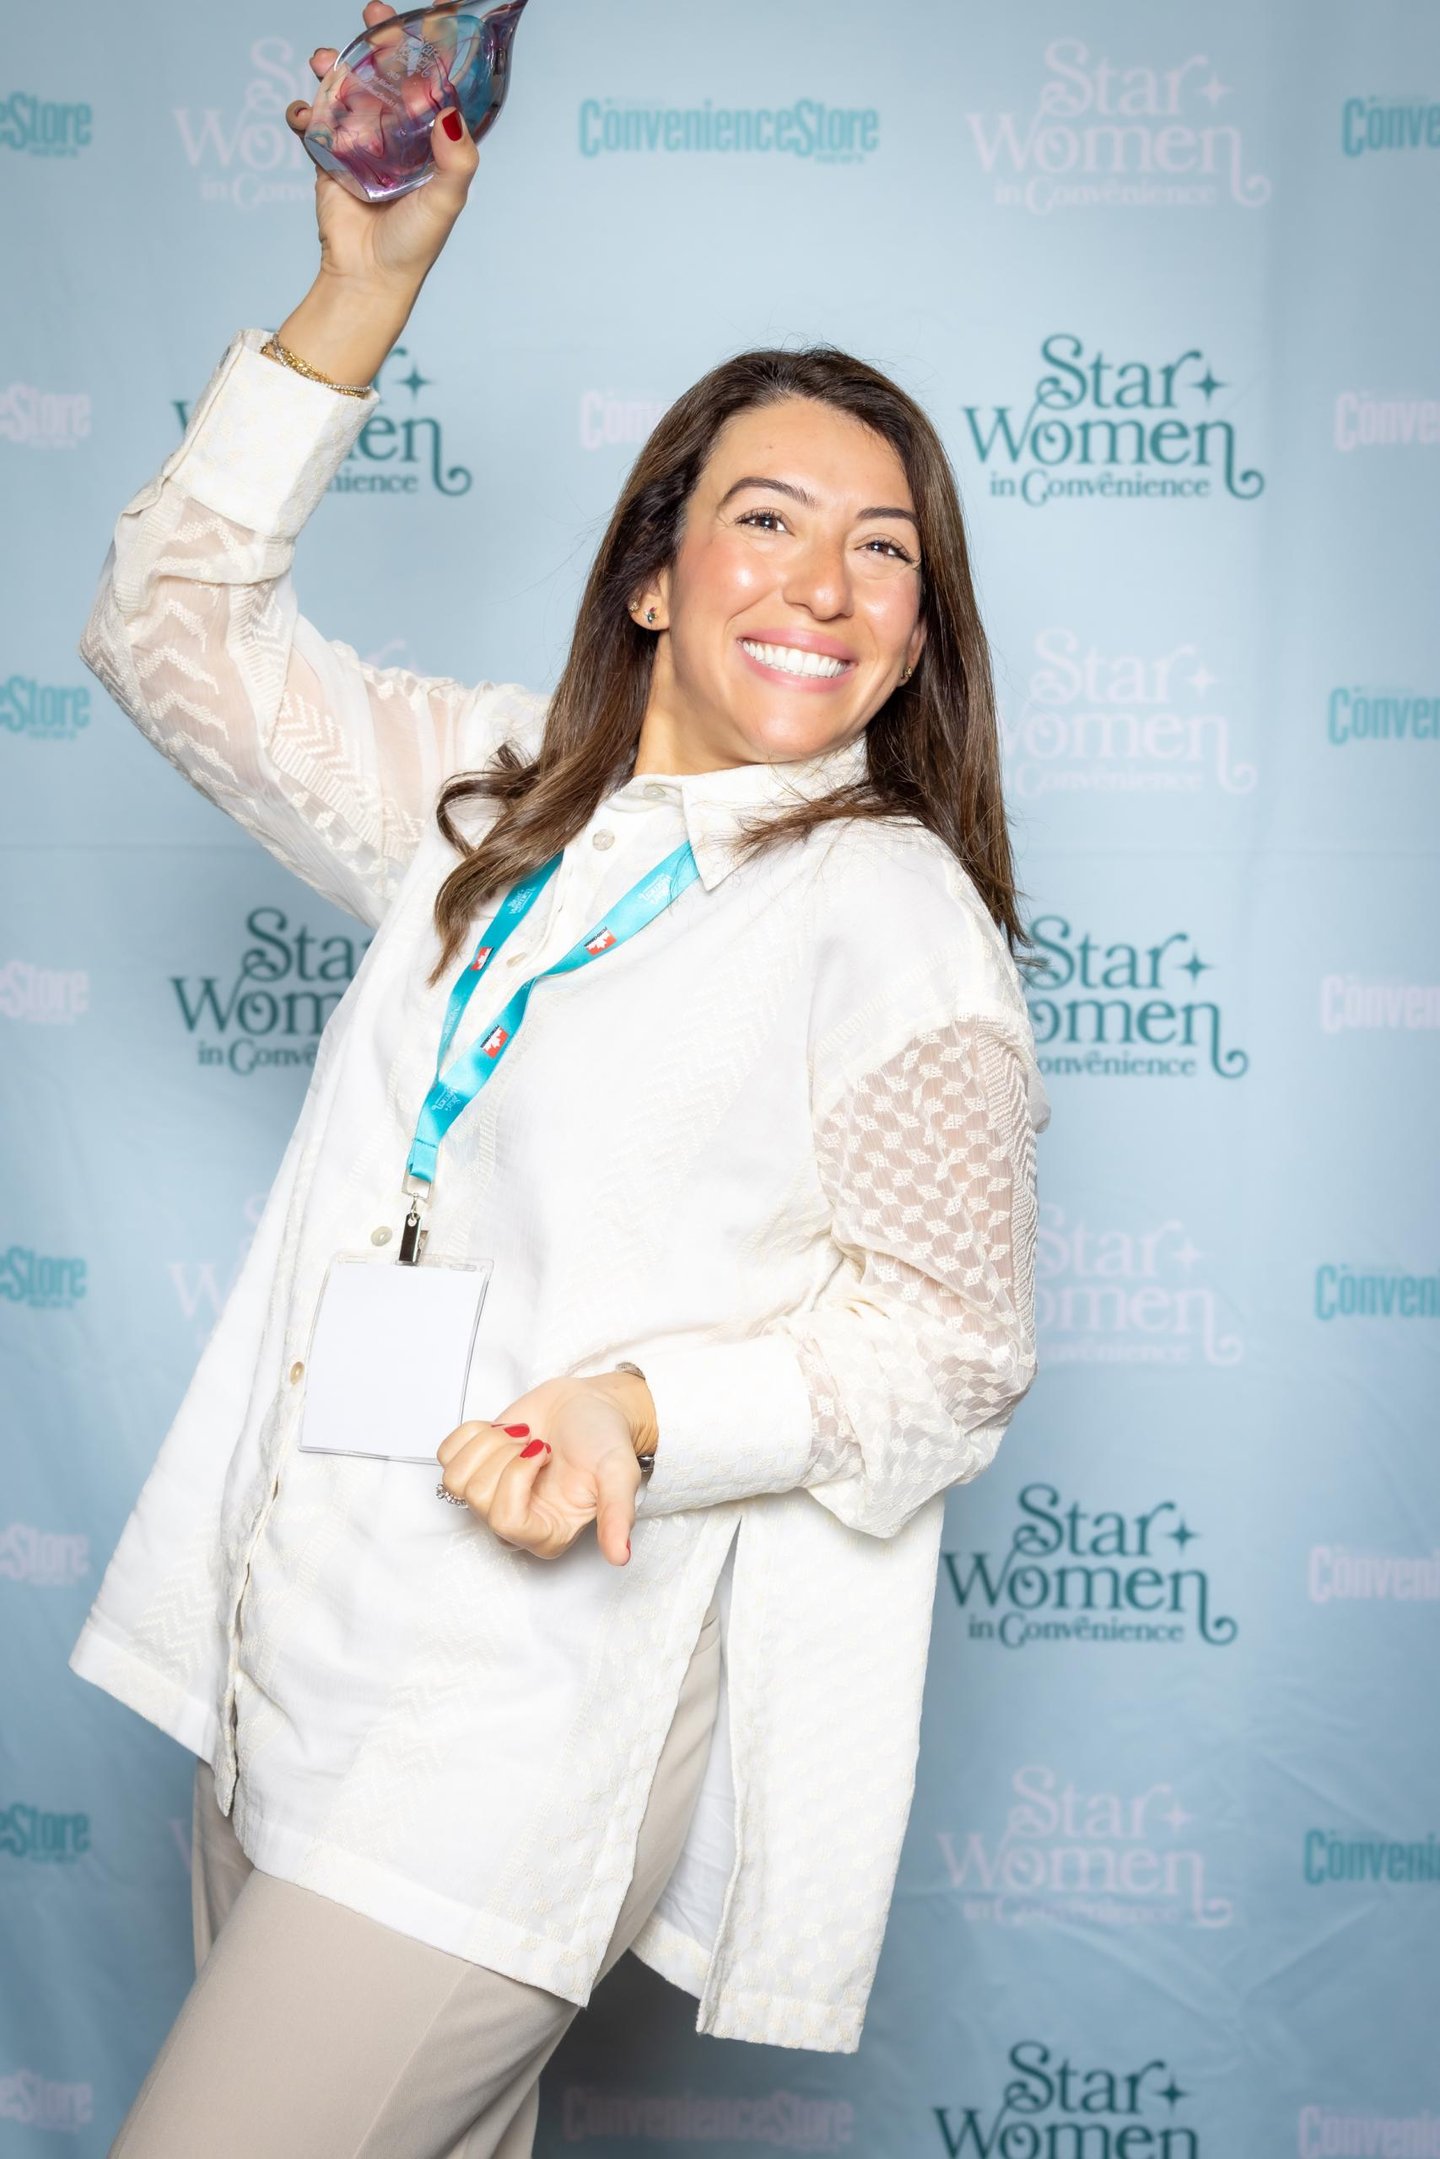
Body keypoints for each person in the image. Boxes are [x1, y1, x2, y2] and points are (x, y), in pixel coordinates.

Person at [71, 8, 1050, 2153]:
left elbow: (953, 1352)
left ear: (918, 625)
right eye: (766, 518)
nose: (822, 584)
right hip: (284, 1658)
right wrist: (365, 286)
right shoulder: (498, 789)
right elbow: (169, 636)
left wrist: (640, 1410)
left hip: (507, 1744)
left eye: (884, 548)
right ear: (652, 570)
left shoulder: (891, 913)